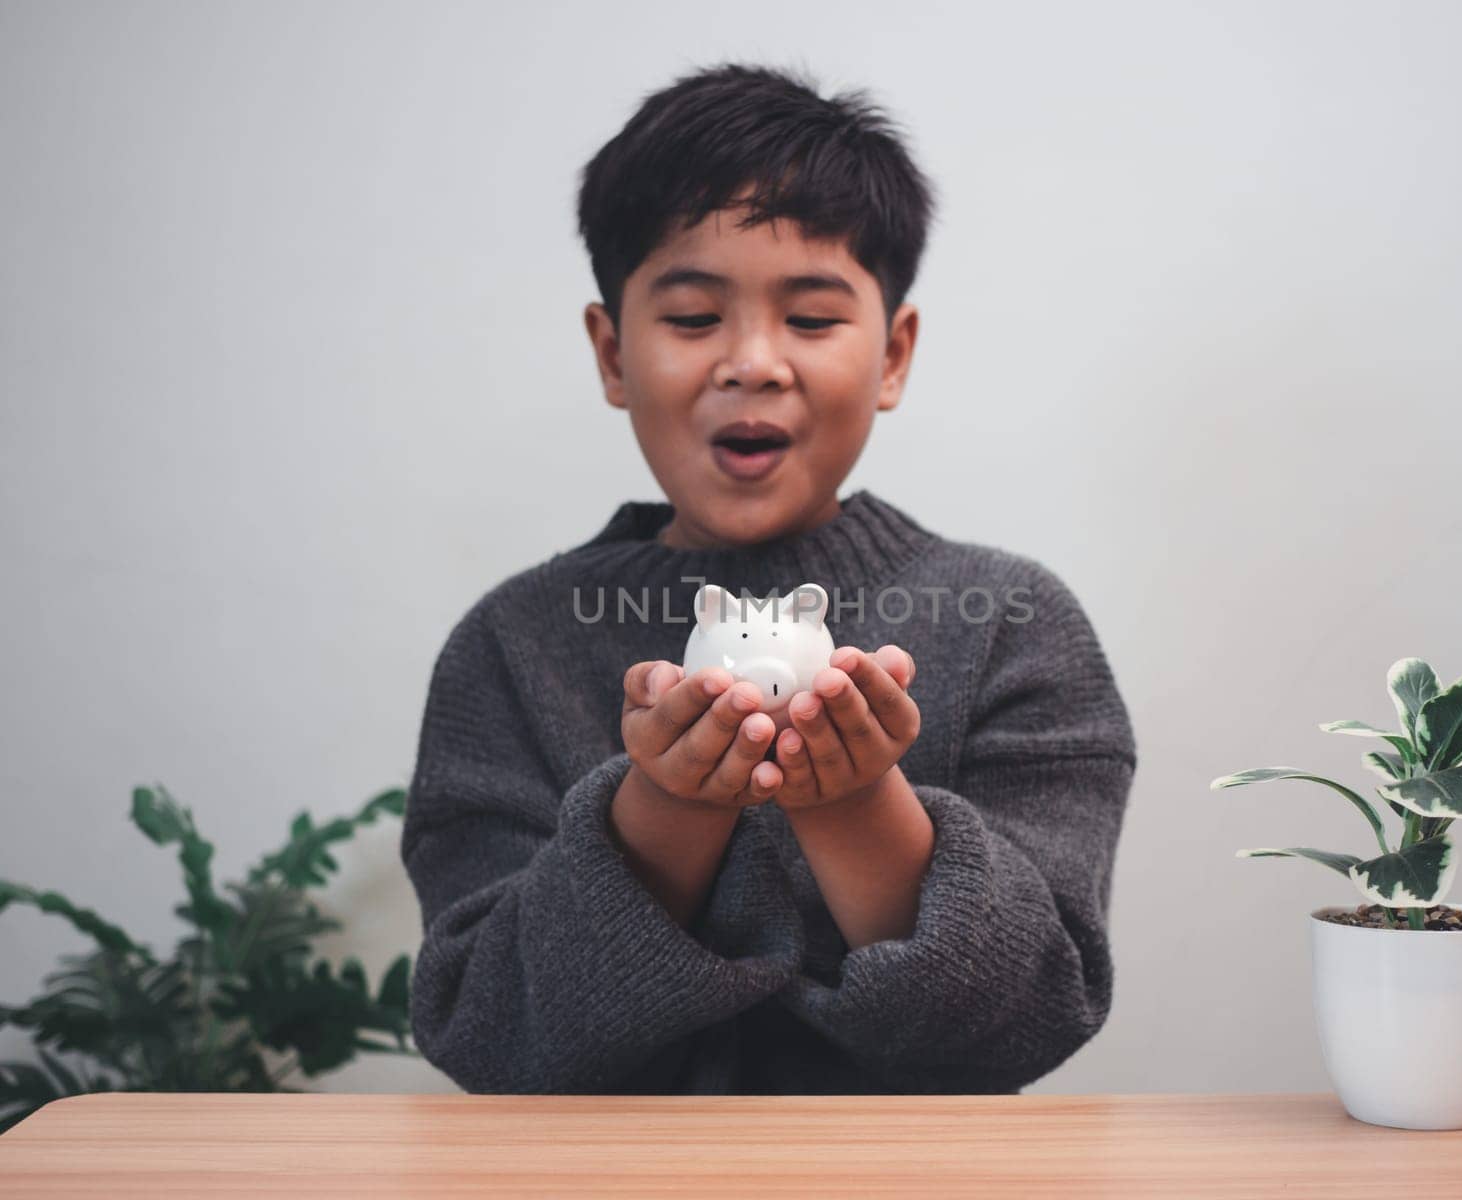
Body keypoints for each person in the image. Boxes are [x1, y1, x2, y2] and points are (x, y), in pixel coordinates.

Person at [399, 61, 1138, 1094]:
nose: (752, 362)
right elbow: (484, 1030)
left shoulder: (1012, 622)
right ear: (613, 354)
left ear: (892, 355)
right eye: (694, 319)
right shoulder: (512, 644)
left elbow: (1033, 1015)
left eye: (812, 318)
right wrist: (665, 809)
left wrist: (851, 802)